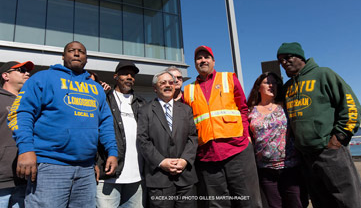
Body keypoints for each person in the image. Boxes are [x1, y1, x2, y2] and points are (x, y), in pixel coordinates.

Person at [9, 41, 118, 208]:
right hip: (49, 167)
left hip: (86, 170)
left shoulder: (96, 89)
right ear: (63, 56)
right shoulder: (43, 78)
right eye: (71, 50)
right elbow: (21, 113)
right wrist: (26, 149)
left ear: (86, 59)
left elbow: (105, 123)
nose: (76, 53)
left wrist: (112, 151)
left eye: (81, 51)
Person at [277, 42, 361, 208]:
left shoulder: (324, 74)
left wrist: (339, 138)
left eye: (288, 57)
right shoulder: (287, 87)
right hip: (305, 156)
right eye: (280, 60)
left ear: (300, 57)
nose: (284, 62)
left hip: (330, 152)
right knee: (321, 201)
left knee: (349, 200)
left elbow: (351, 106)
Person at [183, 45, 262, 208]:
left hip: (237, 150)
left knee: (249, 201)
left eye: (206, 57)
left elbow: (243, 108)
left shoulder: (228, 78)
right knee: (217, 204)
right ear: (195, 63)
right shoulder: (188, 90)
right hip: (207, 155)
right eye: (199, 58)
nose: (203, 60)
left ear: (213, 61)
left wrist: (246, 134)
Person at [137, 71, 198, 208]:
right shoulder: (145, 110)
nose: (168, 85)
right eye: (163, 83)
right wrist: (161, 161)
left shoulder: (186, 110)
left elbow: (192, 137)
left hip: (185, 178)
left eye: (171, 82)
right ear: (155, 88)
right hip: (159, 179)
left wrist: (184, 160)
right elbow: (143, 140)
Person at [247, 72, 302, 208]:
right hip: (265, 170)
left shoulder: (285, 107)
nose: (272, 85)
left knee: (296, 203)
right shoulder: (250, 112)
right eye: (267, 82)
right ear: (258, 87)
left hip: (290, 167)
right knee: (274, 206)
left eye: (275, 83)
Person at [96, 60, 146, 208]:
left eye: (132, 74)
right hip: (108, 176)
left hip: (137, 178)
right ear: (116, 76)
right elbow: (93, 133)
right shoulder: (103, 99)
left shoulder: (142, 103)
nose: (129, 77)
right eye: (125, 73)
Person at [0, 61, 33, 208]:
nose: (27, 73)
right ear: (5, 75)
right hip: (1, 181)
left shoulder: (30, 102)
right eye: (21, 70)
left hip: (24, 180)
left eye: (27, 71)